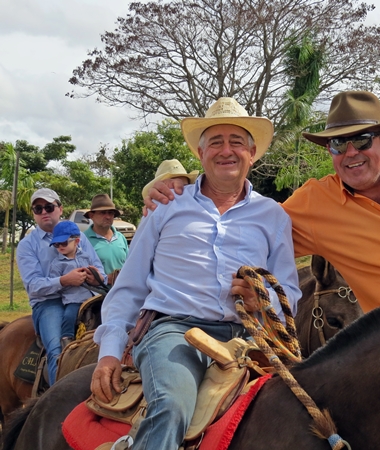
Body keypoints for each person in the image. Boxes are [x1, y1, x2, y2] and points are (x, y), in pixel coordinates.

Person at [146, 91, 380, 312]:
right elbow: (242, 223)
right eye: (338, 144)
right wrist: (184, 191)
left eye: (363, 140)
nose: (351, 153)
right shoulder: (314, 202)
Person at [91, 97, 301, 450]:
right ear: (201, 154)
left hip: (247, 337)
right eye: (215, 142)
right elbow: (128, 288)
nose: (226, 150)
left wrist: (260, 299)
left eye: (236, 141)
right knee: (172, 405)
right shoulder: (165, 208)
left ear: (251, 153)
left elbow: (289, 293)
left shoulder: (273, 216)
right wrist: (110, 352)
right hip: (173, 331)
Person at [17, 188, 106, 385]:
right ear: (33, 213)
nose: (44, 212)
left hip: (85, 297)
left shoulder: (78, 236)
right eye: (38, 208)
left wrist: (94, 278)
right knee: (59, 351)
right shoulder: (27, 245)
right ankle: (56, 403)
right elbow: (33, 286)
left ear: (59, 208)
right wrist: (64, 281)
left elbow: (101, 272)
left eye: (49, 207)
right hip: (49, 303)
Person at [48, 220, 98, 350]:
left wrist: (94, 275)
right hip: (73, 299)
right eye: (56, 244)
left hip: (91, 296)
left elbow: (96, 272)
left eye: (64, 243)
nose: (60, 247)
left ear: (76, 241)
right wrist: (67, 280)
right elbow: (55, 283)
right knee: (69, 316)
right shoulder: (57, 264)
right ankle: (67, 338)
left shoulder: (86, 257)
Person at [83, 194, 129, 285]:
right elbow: (83, 273)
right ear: (92, 215)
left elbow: (130, 264)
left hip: (123, 291)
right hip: (99, 296)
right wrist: (107, 279)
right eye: (103, 212)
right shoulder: (83, 240)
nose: (107, 217)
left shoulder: (120, 237)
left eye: (110, 213)